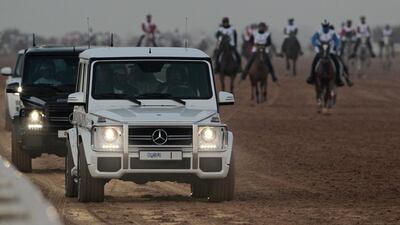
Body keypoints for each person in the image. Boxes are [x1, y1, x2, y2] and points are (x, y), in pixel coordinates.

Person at [306, 20, 344, 86]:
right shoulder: (319, 32)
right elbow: (313, 39)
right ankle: (311, 76)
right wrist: (316, 44)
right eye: (324, 26)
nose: (325, 27)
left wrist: (335, 45)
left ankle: (338, 79)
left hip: (330, 50)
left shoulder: (332, 32)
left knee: (336, 63)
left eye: (326, 26)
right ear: (322, 26)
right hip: (320, 50)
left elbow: (337, 40)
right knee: (314, 62)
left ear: (328, 26)